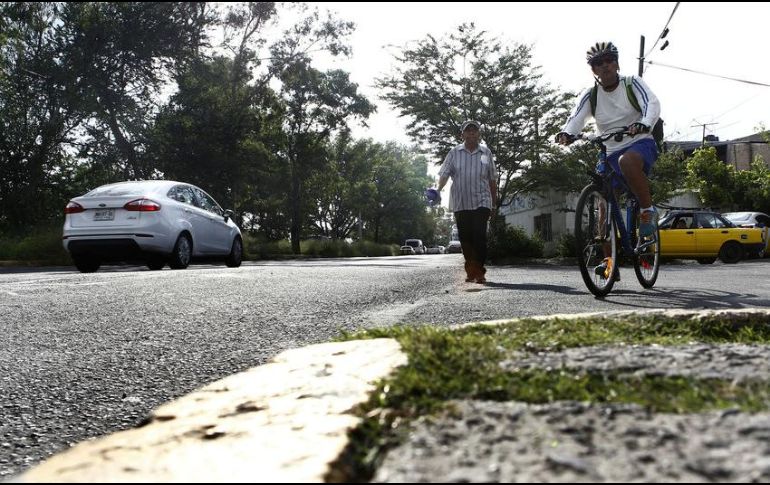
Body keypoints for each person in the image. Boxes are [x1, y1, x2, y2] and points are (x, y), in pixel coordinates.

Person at [555, 41, 661, 277]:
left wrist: (644, 123)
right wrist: (567, 133)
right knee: (603, 204)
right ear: (593, 69)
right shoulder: (591, 95)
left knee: (626, 162)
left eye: (609, 60)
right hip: (609, 150)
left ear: (617, 63)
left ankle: (647, 211)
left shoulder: (632, 83)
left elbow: (651, 104)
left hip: (639, 143)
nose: (605, 66)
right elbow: (576, 118)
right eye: (598, 63)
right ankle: (609, 262)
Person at [437, 120, 498, 284]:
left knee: (479, 236)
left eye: (474, 130)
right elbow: (444, 174)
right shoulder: (454, 153)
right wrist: (438, 189)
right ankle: (470, 271)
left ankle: (479, 272)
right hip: (461, 202)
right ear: (462, 135)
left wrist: (493, 204)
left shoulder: (485, 153)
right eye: (468, 130)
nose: (471, 133)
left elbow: (492, 180)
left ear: (479, 134)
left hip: (482, 201)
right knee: (466, 239)